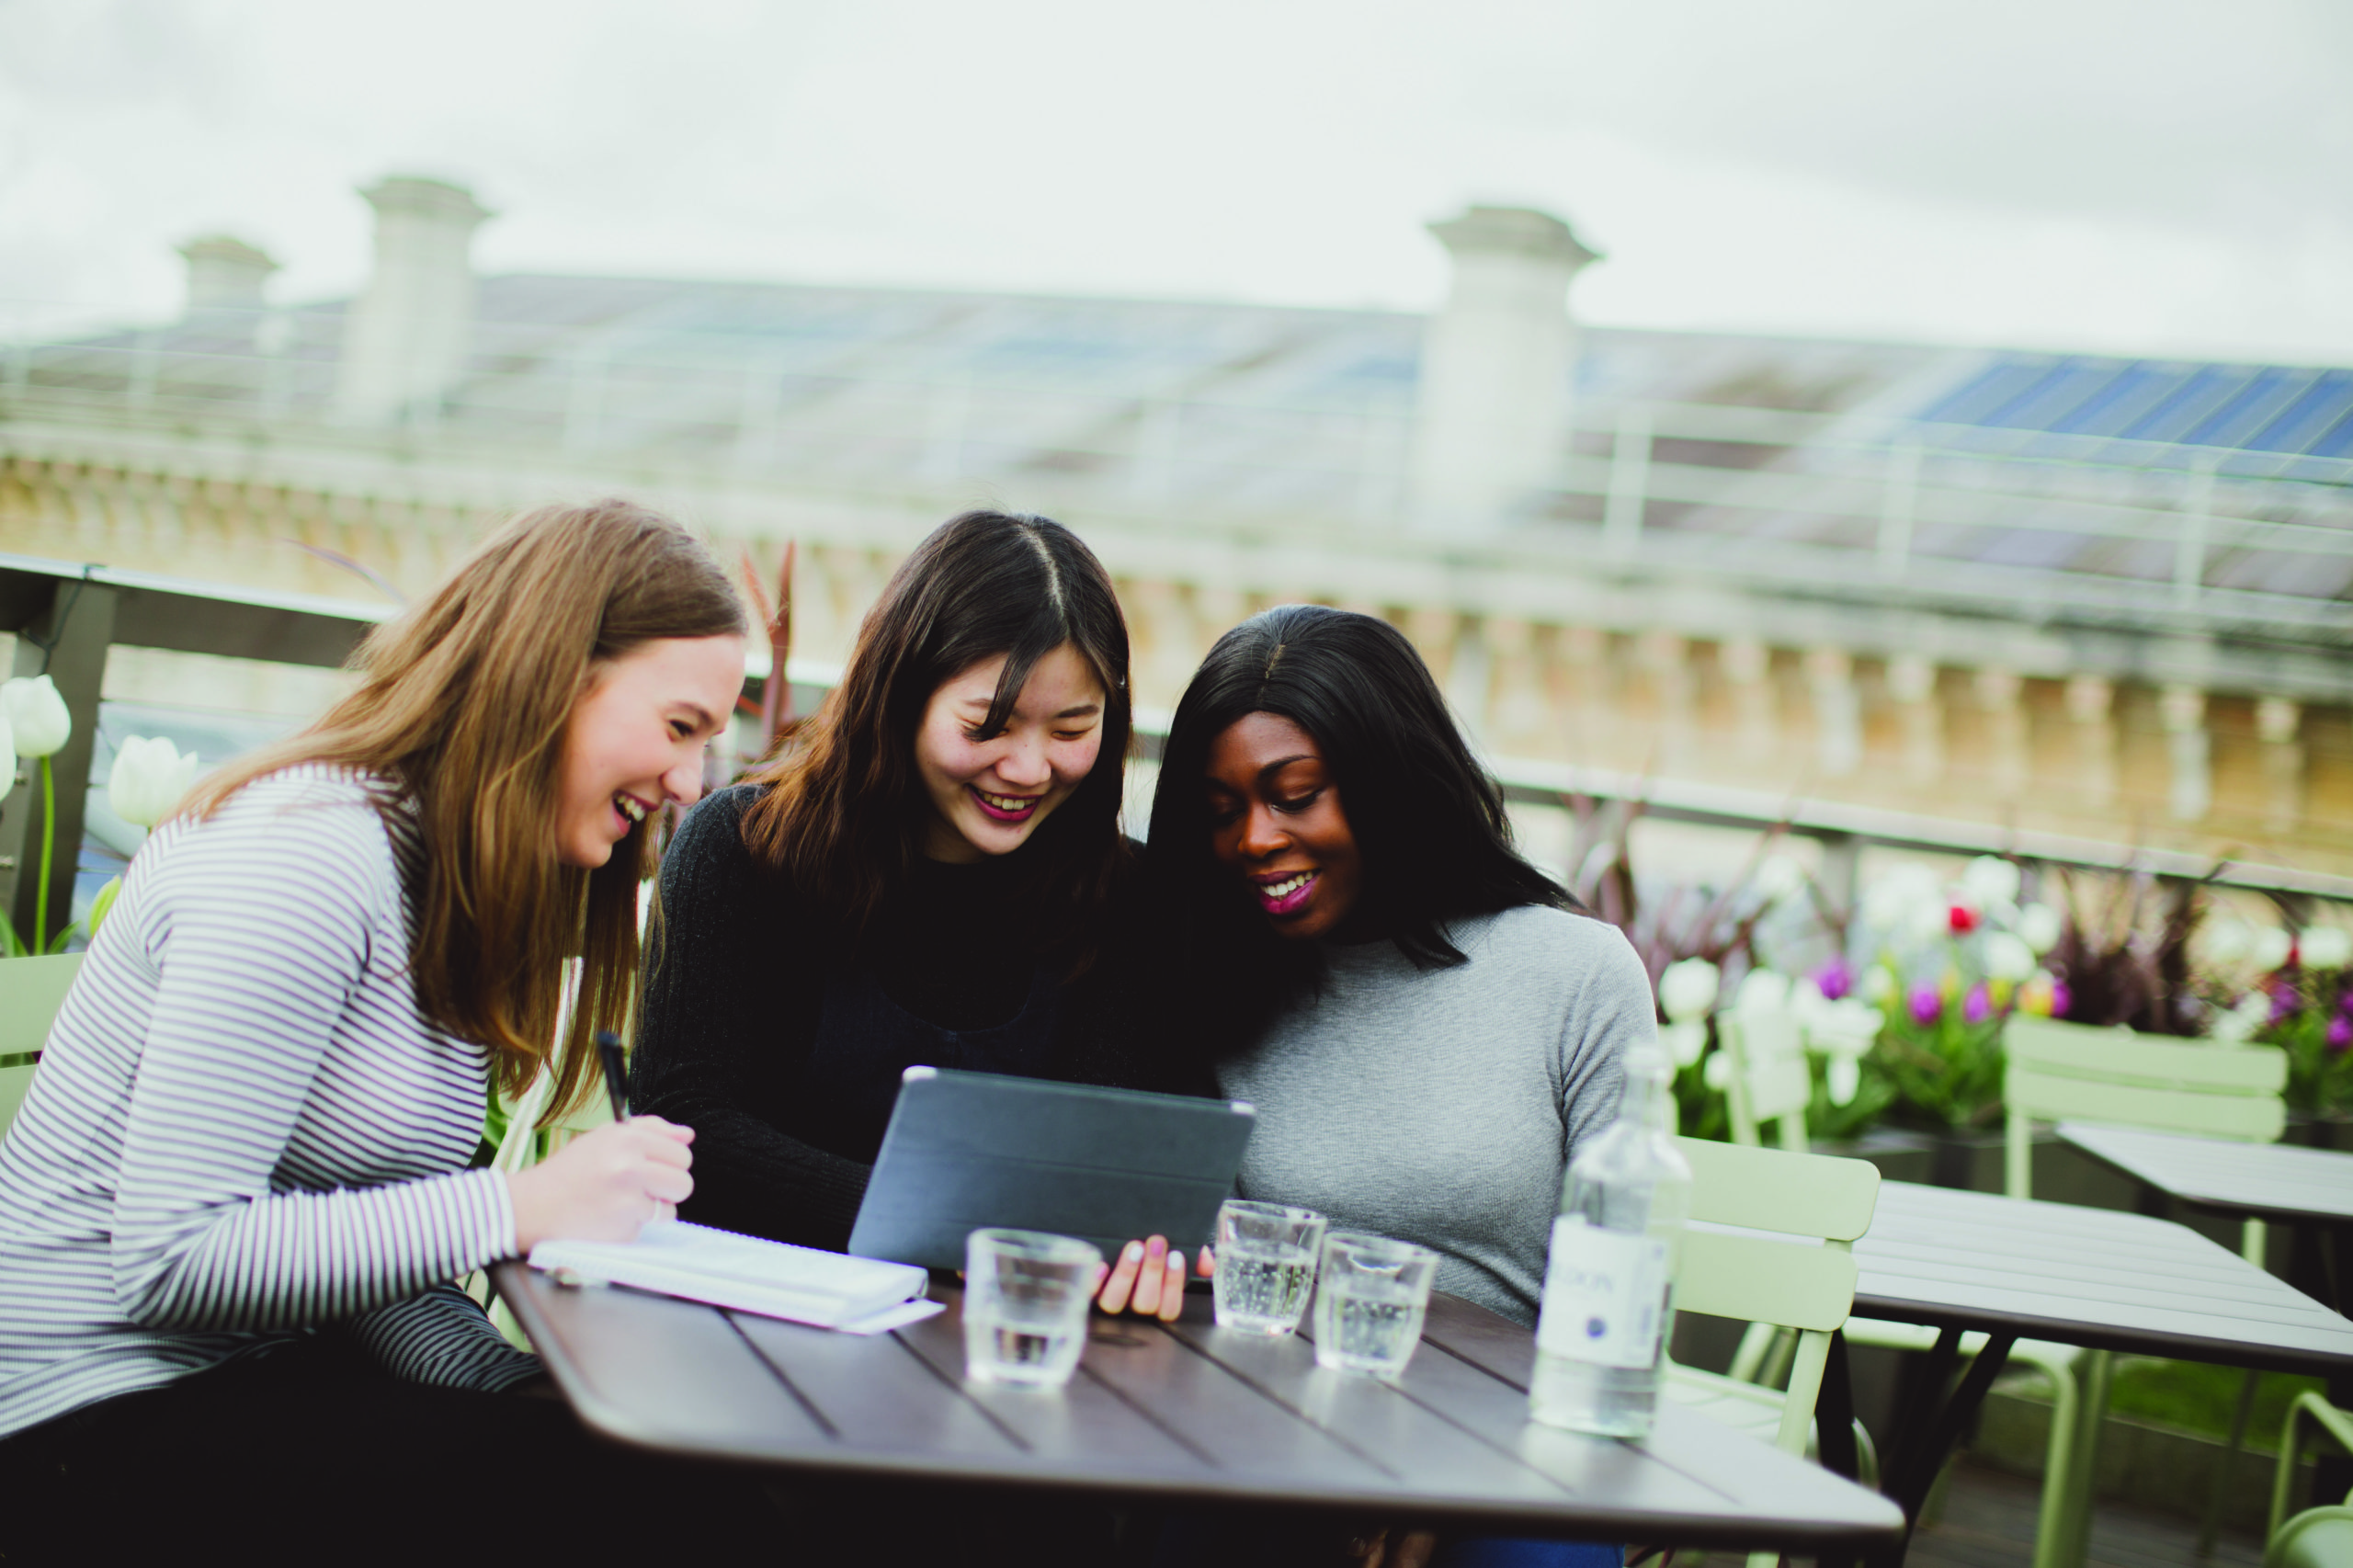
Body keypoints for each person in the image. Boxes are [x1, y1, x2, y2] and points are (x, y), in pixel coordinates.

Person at [0, 499, 775, 1561]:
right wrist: (518, 1205)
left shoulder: (446, 882)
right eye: (680, 726)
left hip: (251, 1378)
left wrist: (514, 1385)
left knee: (676, 1475)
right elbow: (173, 1256)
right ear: (549, 673)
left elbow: (366, 1249)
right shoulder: (304, 857)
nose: (690, 782)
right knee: (680, 1514)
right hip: (75, 1415)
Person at [1146, 604, 1648, 1568]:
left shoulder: (1577, 974)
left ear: (1389, 781)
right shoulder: (1209, 973)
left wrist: (1444, 1472)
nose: (1254, 838)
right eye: (1220, 810)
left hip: (1512, 1443)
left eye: (1295, 795)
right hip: (1269, 1431)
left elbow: (1620, 1301)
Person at [631, 508, 1205, 1321]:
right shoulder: (743, 850)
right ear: (900, 698)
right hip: (750, 1321)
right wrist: (950, 1228)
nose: (1029, 768)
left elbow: (1107, 1169)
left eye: (1072, 729)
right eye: (987, 726)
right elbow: (688, 1125)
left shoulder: (1124, 900)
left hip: (1006, 1338)